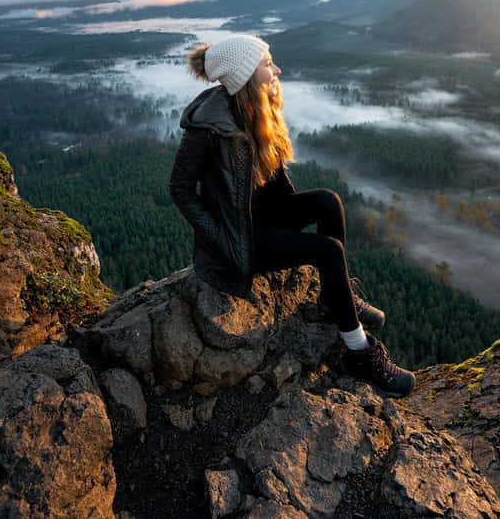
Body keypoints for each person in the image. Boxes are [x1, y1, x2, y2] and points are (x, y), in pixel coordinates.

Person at [169, 33, 415, 398]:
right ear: (245, 75)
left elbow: (268, 185)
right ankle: (359, 353)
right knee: (328, 251)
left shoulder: (254, 106)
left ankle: (334, 298)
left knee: (329, 202)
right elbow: (180, 189)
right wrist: (219, 239)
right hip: (241, 239)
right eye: (268, 64)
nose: (277, 70)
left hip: (262, 219)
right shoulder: (209, 128)